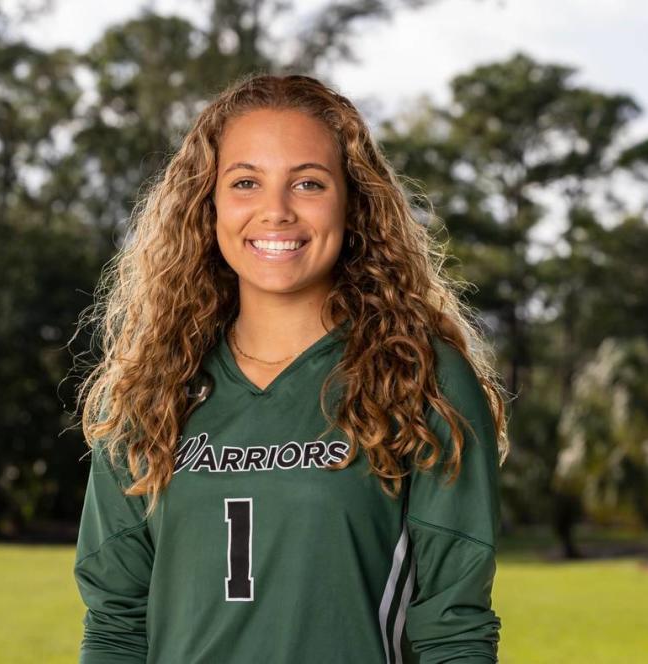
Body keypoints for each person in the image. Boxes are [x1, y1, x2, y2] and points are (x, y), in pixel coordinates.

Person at [73, 72, 511, 664]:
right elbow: (115, 624)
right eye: (246, 182)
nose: (275, 212)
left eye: (307, 183)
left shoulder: (421, 379)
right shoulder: (148, 390)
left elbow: (453, 630)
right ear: (209, 204)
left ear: (354, 204)